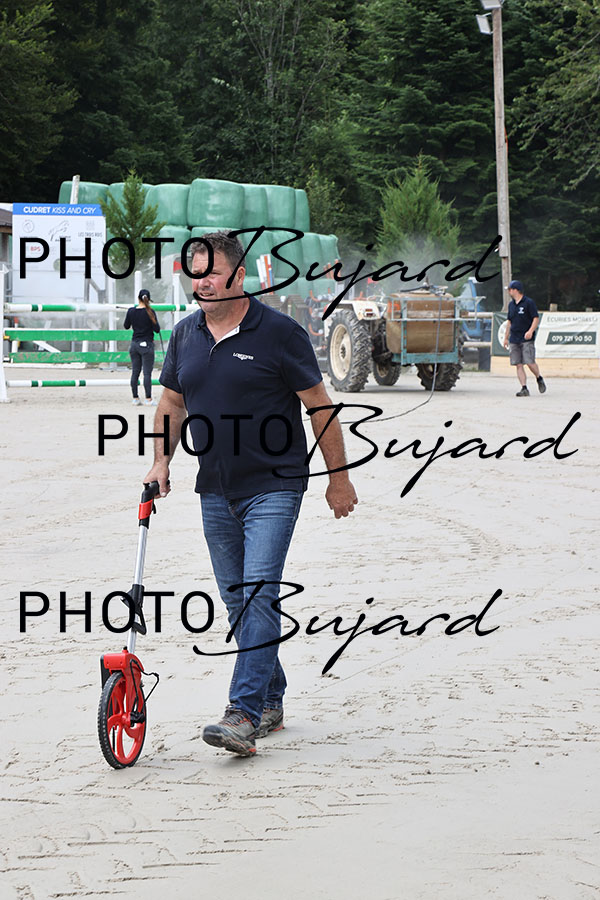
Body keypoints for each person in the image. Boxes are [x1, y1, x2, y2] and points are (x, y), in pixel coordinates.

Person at [144, 231, 357, 757]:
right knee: (238, 601)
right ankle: (271, 699)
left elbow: (319, 406)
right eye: (196, 274)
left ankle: (242, 713)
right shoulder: (186, 334)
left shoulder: (279, 333)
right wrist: (161, 460)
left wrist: (339, 477)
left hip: (275, 485)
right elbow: (172, 404)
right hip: (214, 488)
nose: (202, 283)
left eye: (212, 273)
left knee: (259, 593)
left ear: (239, 277)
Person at [503, 279, 546, 397]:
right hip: (514, 338)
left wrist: (530, 331)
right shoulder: (511, 305)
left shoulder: (528, 303)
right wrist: (506, 337)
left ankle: (539, 377)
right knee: (518, 364)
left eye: (510, 289)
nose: (509, 292)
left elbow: (535, 318)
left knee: (530, 362)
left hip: (526, 338)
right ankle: (524, 388)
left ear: (516, 290)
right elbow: (509, 322)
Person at [124, 289, 161, 405]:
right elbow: (157, 329)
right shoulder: (150, 312)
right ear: (148, 299)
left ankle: (135, 398)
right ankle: (148, 398)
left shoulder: (131, 311)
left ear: (138, 298)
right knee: (147, 373)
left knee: (135, 372)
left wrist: (131, 316)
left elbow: (126, 326)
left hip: (134, 345)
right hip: (147, 345)